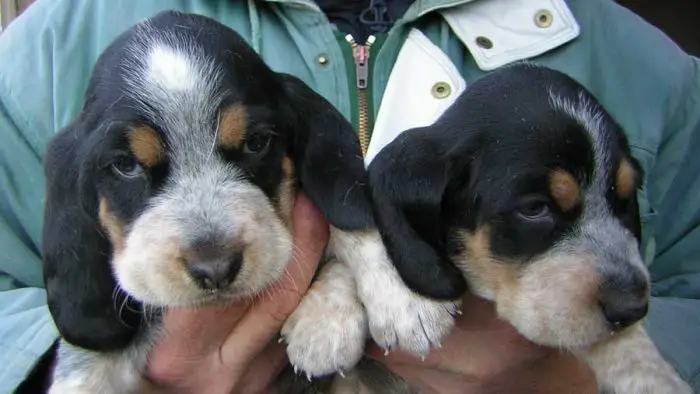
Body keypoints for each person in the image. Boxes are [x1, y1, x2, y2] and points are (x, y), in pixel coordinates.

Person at [1, 0, 698, 393]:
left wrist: (580, 378)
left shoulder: (654, 72)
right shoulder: (45, 54)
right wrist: (115, 367)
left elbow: (688, 292)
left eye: (254, 144)